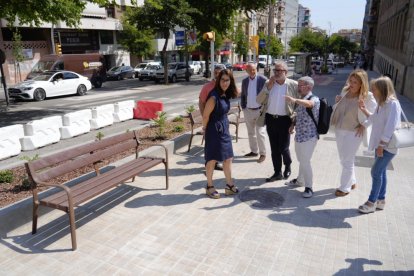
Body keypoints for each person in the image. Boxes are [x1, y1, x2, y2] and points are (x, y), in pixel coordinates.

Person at [357, 76, 401, 213]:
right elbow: (373, 118)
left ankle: (371, 202)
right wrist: (363, 116)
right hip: (380, 145)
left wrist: (382, 145)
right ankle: (381, 200)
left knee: (375, 172)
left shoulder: (392, 104)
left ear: (382, 89)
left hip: (388, 146)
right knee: (381, 172)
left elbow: (390, 126)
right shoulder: (381, 104)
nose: (373, 91)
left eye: (374, 89)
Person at [330, 69, 377, 196]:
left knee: (348, 159)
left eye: (355, 82)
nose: (351, 84)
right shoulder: (345, 91)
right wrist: (337, 101)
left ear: (362, 84)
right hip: (340, 129)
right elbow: (340, 108)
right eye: (350, 81)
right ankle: (352, 181)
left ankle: (345, 188)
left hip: (354, 132)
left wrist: (365, 124)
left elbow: (375, 116)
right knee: (343, 158)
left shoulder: (368, 96)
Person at [256, 60, 299, 182]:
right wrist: (268, 88)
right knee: (274, 148)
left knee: (284, 147)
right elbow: (259, 100)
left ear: (285, 72)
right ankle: (277, 172)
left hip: (285, 120)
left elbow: (298, 105)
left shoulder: (293, 85)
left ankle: (288, 165)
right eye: (275, 70)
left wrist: (293, 122)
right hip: (270, 119)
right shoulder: (268, 83)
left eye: (279, 70)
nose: (276, 73)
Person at [202, 69, 239, 199]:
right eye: (222, 80)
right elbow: (206, 116)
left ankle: (229, 185)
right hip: (213, 130)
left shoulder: (225, 94)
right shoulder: (213, 96)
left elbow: (238, 93)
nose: (225, 83)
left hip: (224, 129)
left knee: (228, 157)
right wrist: (205, 130)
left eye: (227, 80)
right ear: (218, 81)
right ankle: (209, 186)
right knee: (211, 159)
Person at [285, 76, 320, 198]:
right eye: (298, 85)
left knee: (305, 161)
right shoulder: (301, 98)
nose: (298, 87)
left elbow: (309, 104)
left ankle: (309, 187)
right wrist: (292, 124)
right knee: (301, 160)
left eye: (301, 85)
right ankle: (300, 180)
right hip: (299, 135)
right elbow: (299, 114)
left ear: (309, 87)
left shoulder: (313, 98)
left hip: (309, 137)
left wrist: (294, 100)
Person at [240, 62, 268, 163]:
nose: (252, 71)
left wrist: (265, 108)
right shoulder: (245, 81)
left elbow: (268, 94)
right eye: (249, 70)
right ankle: (254, 151)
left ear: (256, 69)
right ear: (246, 70)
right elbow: (243, 95)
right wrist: (243, 107)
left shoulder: (263, 80)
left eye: (253, 69)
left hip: (259, 110)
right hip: (248, 110)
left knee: (260, 132)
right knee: (251, 132)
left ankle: (263, 153)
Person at [199, 66, 223, 171]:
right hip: (210, 119)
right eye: (216, 73)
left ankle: (216, 162)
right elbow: (201, 102)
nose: (217, 75)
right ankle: (208, 164)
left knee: (219, 142)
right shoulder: (207, 86)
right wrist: (204, 116)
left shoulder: (224, 85)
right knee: (209, 143)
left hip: (221, 119)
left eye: (219, 73)